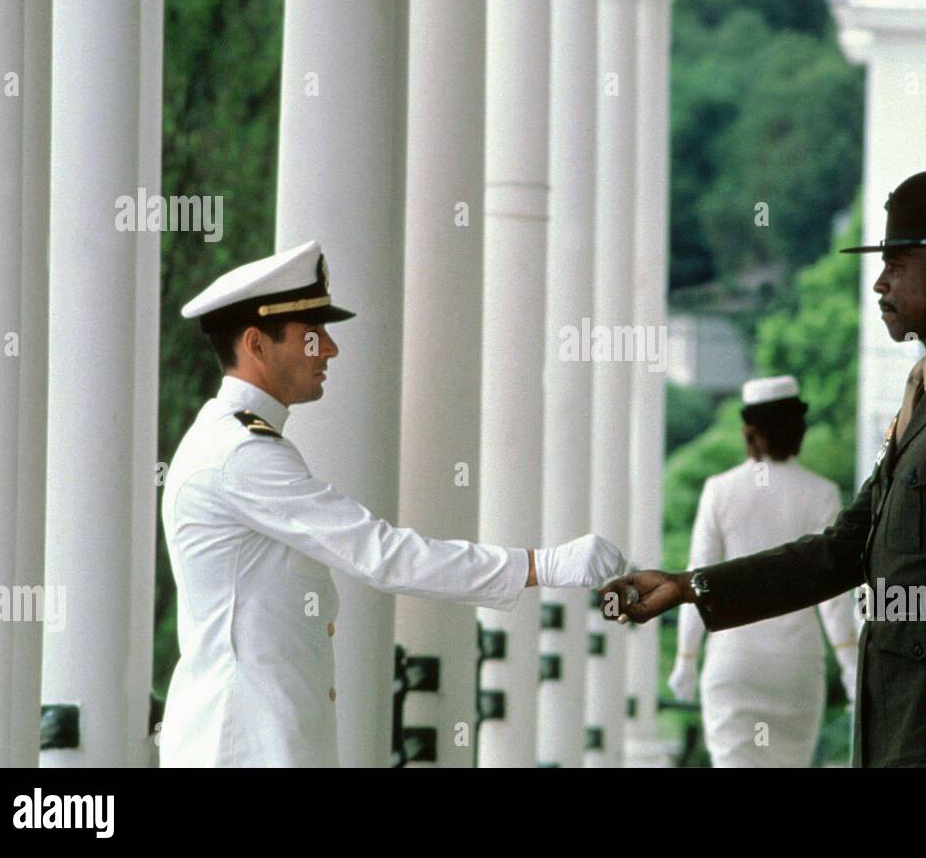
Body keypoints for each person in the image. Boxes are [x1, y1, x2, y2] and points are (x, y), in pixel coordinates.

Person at [603, 169, 926, 768]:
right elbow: (843, 549)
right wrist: (689, 587)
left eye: (895, 264)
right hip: (902, 732)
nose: (879, 284)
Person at [159, 240, 624, 767]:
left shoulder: (239, 443)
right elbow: (383, 554)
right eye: (313, 335)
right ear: (256, 344)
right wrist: (544, 565)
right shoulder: (241, 454)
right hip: (244, 745)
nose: (329, 349)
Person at [670, 375, 860, 767]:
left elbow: (696, 581)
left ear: (748, 431)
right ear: (797, 430)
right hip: (795, 670)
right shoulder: (820, 492)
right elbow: (834, 596)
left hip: (733, 665)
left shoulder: (718, 490)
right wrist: (850, 664)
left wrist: (686, 658)